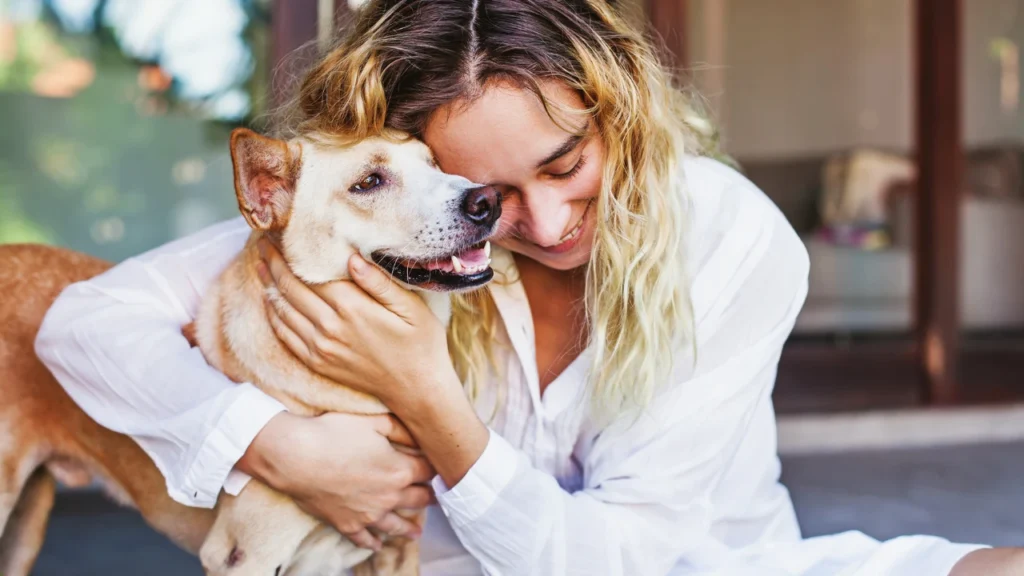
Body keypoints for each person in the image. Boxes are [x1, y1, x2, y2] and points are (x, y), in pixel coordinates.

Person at [33, 1, 1022, 574]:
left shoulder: (723, 231)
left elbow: (616, 558)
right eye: (485, 194)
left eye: (562, 164)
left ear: (615, 111)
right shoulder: (393, 221)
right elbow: (82, 324)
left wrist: (425, 392)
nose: (545, 229)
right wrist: (278, 442)